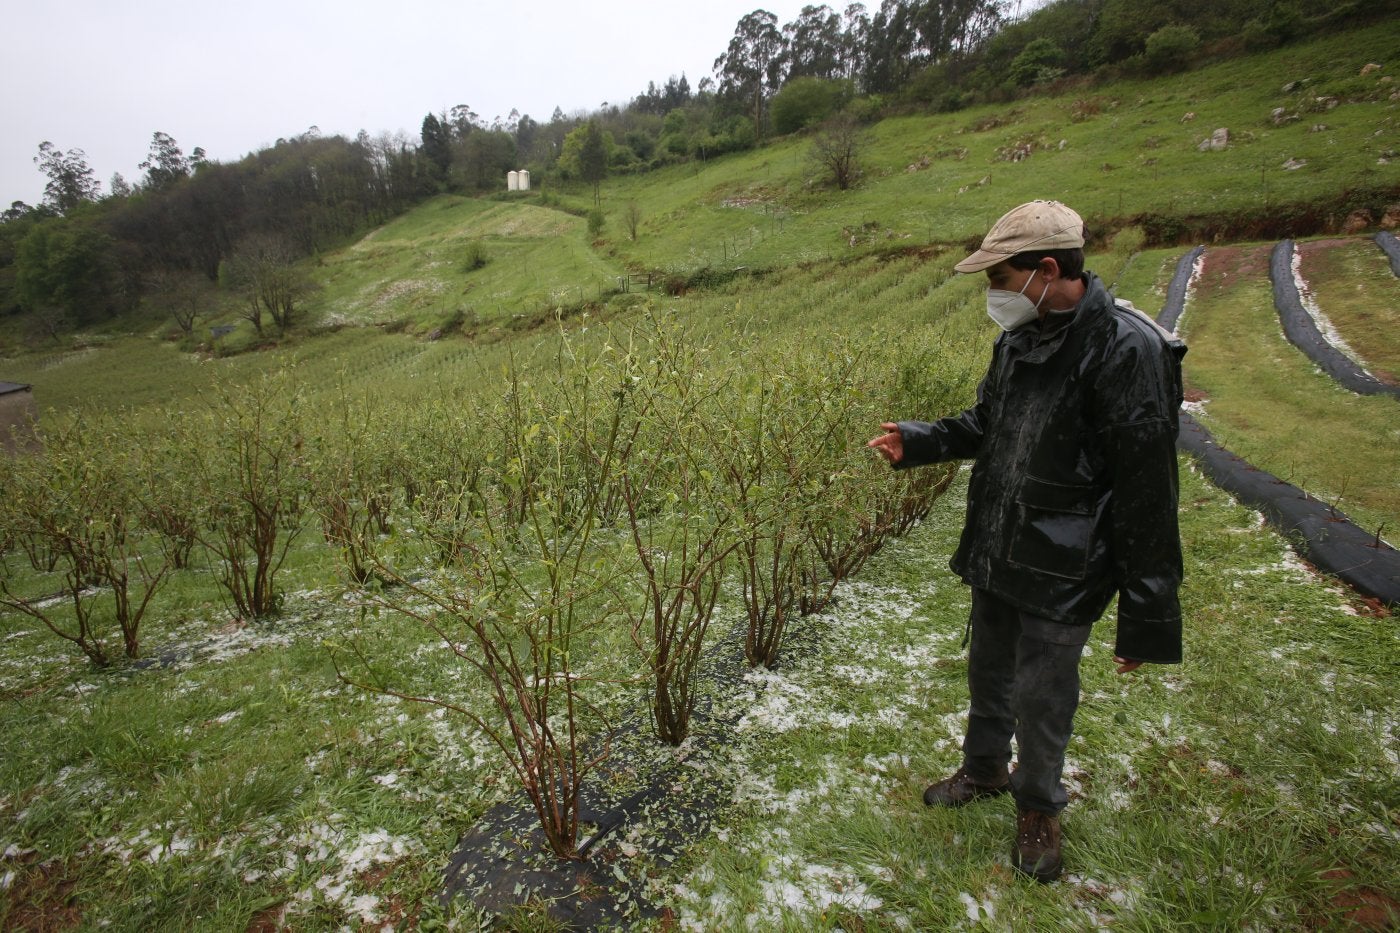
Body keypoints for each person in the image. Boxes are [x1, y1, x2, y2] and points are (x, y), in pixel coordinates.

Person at [867, 200, 1186, 883]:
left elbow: (1148, 493)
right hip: (1001, 541)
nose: (993, 295)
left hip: (1067, 562)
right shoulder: (1021, 337)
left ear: (1046, 269)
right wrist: (919, 440)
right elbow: (988, 421)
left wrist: (1147, 613)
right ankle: (983, 770)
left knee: (1044, 692)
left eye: (999, 279)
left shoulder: (1130, 350)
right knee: (989, 670)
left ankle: (1038, 805)